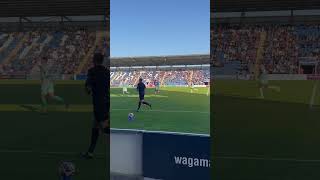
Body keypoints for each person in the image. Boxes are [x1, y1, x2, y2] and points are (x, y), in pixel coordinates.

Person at [82, 53, 109, 159]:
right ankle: (90, 152)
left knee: (104, 128)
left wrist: (88, 89)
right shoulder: (107, 71)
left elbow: (88, 88)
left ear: (94, 60)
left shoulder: (92, 71)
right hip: (106, 101)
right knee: (96, 125)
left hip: (98, 102)